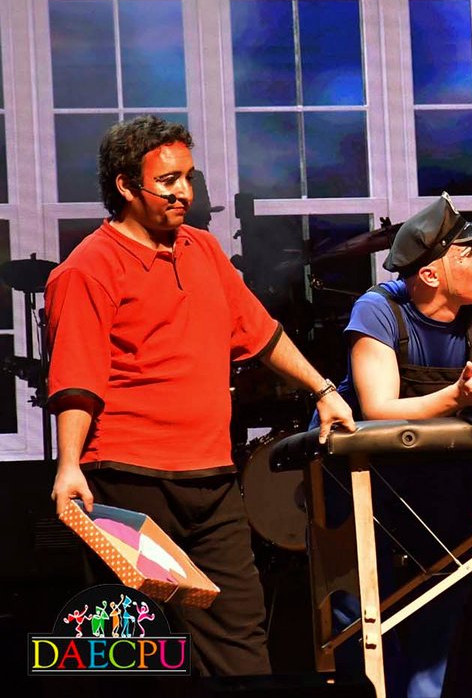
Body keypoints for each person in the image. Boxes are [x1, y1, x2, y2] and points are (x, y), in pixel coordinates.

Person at [45, 114, 356, 676]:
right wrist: (69, 465)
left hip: (211, 480)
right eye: (168, 181)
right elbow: (77, 379)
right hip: (128, 481)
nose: (184, 192)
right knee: (138, 651)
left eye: (188, 177)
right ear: (125, 186)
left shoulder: (203, 249)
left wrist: (323, 389)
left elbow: (261, 333)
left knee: (239, 638)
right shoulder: (89, 268)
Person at [324, 192, 472, 697]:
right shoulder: (379, 310)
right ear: (429, 273)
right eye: (470, 252)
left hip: (441, 475)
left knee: (445, 591)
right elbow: (378, 407)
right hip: (363, 480)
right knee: (362, 605)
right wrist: (456, 397)